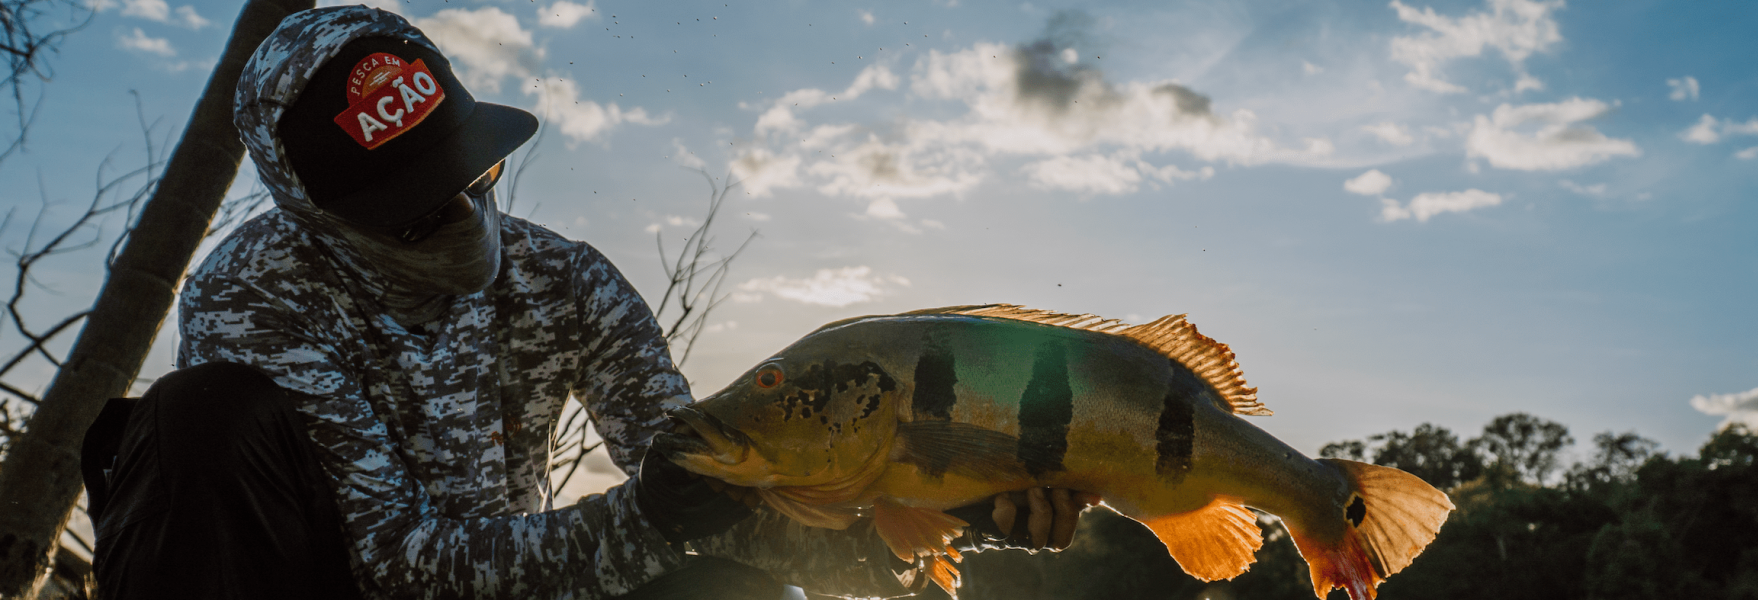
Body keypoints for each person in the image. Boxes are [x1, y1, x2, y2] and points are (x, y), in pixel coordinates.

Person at [79, 6, 1093, 600]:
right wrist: (644, 518)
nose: (464, 221)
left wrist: (898, 528)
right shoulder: (255, 296)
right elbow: (397, 563)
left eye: (472, 177)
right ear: (314, 214)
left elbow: (715, 483)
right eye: (412, 211)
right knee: (187, 420)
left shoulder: (567, 282)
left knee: (725, 584)